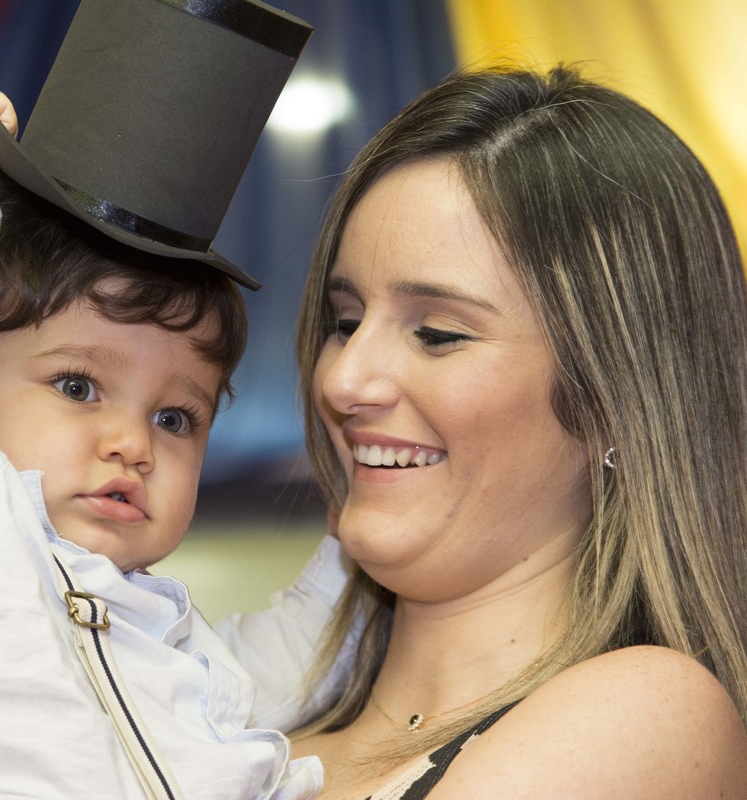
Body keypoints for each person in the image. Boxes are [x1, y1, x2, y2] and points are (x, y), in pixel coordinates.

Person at [0, 1, 346, 797]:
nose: (132, 443)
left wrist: (362, 531)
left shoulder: (172, 641)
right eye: (78, 386)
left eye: (175, 417)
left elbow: (298, 659)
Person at [285, 64, 747, 797]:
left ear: (613, 399)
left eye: (437, 333)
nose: (342, 381)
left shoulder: (643, 715)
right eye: (345, 322)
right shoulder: (243, 738)